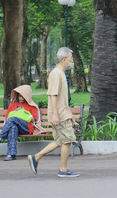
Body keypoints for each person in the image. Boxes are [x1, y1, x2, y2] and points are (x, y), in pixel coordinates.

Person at [28, 47, 79, 178]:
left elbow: (63, 99)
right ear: (64, 60)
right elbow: (53, 95)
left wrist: (71, 115)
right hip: (59, 114)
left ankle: (36, 157)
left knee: (60, 141)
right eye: (70, 58)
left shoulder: (61, 73)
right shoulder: (56, 74)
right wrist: (56, 114)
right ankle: (63, 170)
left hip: (62, 113)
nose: (71, 61)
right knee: (67, 140)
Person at [0, 85, 43, 161]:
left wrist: (23, 112)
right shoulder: (12, 105)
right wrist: (16, 112)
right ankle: (11, 154)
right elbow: (7, 119)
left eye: (23, 96)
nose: (21, 98)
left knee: (13, 119)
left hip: (27, 127)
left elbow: (33, 120)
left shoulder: (32, 106)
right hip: (15, 126)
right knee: (13, 128)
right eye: (19, 96)